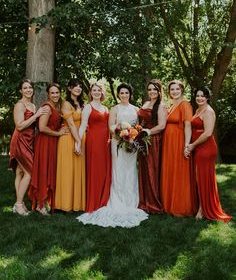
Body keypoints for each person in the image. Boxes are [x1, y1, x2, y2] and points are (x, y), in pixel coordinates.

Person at [77, 83, 148, 227]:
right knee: (118, 170)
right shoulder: (114, 109)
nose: (124, 95)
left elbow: (138, 126)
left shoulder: (136, 109)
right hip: (118, 143)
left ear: (130, 94)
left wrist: (133, 136)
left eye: (126, 93)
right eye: (121, 93)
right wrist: (122, 134)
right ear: (118, 95)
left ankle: (131, 201)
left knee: (131, 171)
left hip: (132, 145)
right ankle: (117, 200)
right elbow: (110, 126)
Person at [185, 87, 232, 222]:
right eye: (197, 96)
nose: (199, 98)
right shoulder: (198, 110)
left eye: (202, 96)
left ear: (207, 97)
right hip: (198, 147)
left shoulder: (209, 112)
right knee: (199, 178)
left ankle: (203, 209)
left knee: (203, 179)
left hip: (206, 148)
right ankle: (201, 205)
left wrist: (192, 145)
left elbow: (207, 133)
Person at [28, 83, 69, 215]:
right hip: (45, 142)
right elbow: (42, 127)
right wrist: (58, 133)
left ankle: (47, 201)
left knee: (50, 170)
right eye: (52, 93)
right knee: (44, 171)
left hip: (52, 142)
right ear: (48, 94)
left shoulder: (57, 107)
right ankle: (40, 204)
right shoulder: (47, 107)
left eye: (57, 92)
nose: (55, 95)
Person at [9, 79, 47, 216]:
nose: (28, 90)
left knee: (20, 172)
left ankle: (18, 203)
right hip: (20, 141)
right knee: (30, 173)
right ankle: (19, 204)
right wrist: (36, 115)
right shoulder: (20, 105)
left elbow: (35, 125)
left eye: (30, 87)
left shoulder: (32, 105)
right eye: (25, 88)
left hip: (30, 141)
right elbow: (19, 126)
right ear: (20, 91)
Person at [161, 80, 197, 216]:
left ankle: (180, 206)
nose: (174, 91)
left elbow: (188, 126)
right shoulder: (171, 105)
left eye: (177, 89)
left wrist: (186, 145)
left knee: (179, 171)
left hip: (179, 142)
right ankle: (169, 203)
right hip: (169, 143)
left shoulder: (185, 105)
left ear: (182, 90)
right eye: (172, 89)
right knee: (170, 170)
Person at [77, 82, 111, 216]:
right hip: (94, 141)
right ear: (90, 93)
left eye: (99, 90)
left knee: (104, 170)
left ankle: (104, 199)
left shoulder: (106, 108)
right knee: (95, 170)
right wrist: (78, 143)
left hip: (105, 142)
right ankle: (94, 201)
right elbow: (82, 126)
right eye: (94, 90)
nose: (96, 92)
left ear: (102, 92)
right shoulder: (88, 107)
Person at [55, 78, 86, 212]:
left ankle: (76, 204)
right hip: (69, 138)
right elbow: (71, 124)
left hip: (79, 136)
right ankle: (64, 204)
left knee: (77, 170)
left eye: (80, 86)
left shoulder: (81, 103)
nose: (78, 88)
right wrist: (78, 141)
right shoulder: (66, 104)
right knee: (67, 170)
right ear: (69, 88)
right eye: (75, 86)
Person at [138, 79, 167, 213]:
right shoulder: (146, 103)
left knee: (152, 169)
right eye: (149, 89)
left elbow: (161, 126)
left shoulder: (161, 106)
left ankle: (153, 202)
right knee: (144, 169)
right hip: (143, 139)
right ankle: (144, 200)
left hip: (154, 139)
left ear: (159, 91)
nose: (152, 92)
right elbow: (142, 120)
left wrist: (148, 131)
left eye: (154, 89)